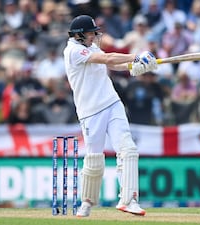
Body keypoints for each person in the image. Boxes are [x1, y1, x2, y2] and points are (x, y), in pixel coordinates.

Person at [63, 15, 157, 217]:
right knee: (95, 158)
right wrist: (134, 56)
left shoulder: (90, 47)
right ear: (79, 35)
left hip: (112, 103)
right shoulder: (73, 51)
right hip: (90, 111)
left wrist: (136, 66)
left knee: (128, 149)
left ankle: (129, 200)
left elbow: (112, 64)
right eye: (91, 33)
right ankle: (87, 202)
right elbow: (106, 58)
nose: (95, 36)